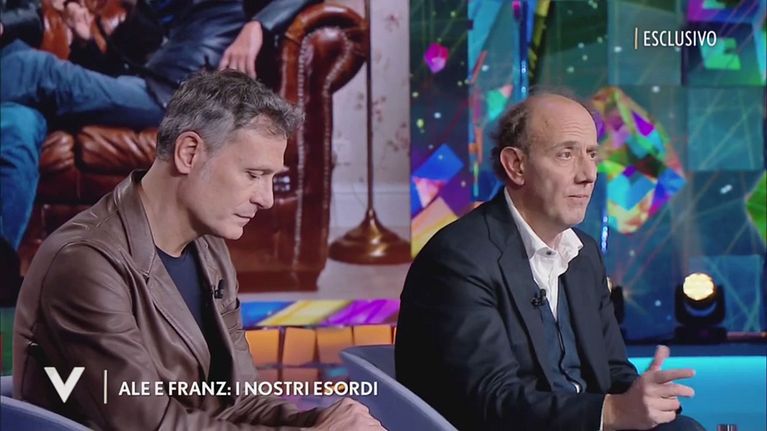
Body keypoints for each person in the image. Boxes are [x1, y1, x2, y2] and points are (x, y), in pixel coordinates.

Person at [13, 70, 385, 430]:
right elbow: (152, 425)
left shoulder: (209, 248)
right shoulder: (84, 262)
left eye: (272, 178)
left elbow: (241, 400)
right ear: (189, 153)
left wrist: (323, 421)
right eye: (254, 175)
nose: (267, 199)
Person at [395, 92, 705, 431]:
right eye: (566, 154)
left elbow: (612, 371)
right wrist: (612, 413)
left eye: (591, 154)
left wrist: (645, 399)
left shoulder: (584, 254)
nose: (588, 174)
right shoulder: (459, 259)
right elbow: (489, 401)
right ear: (516, 165)